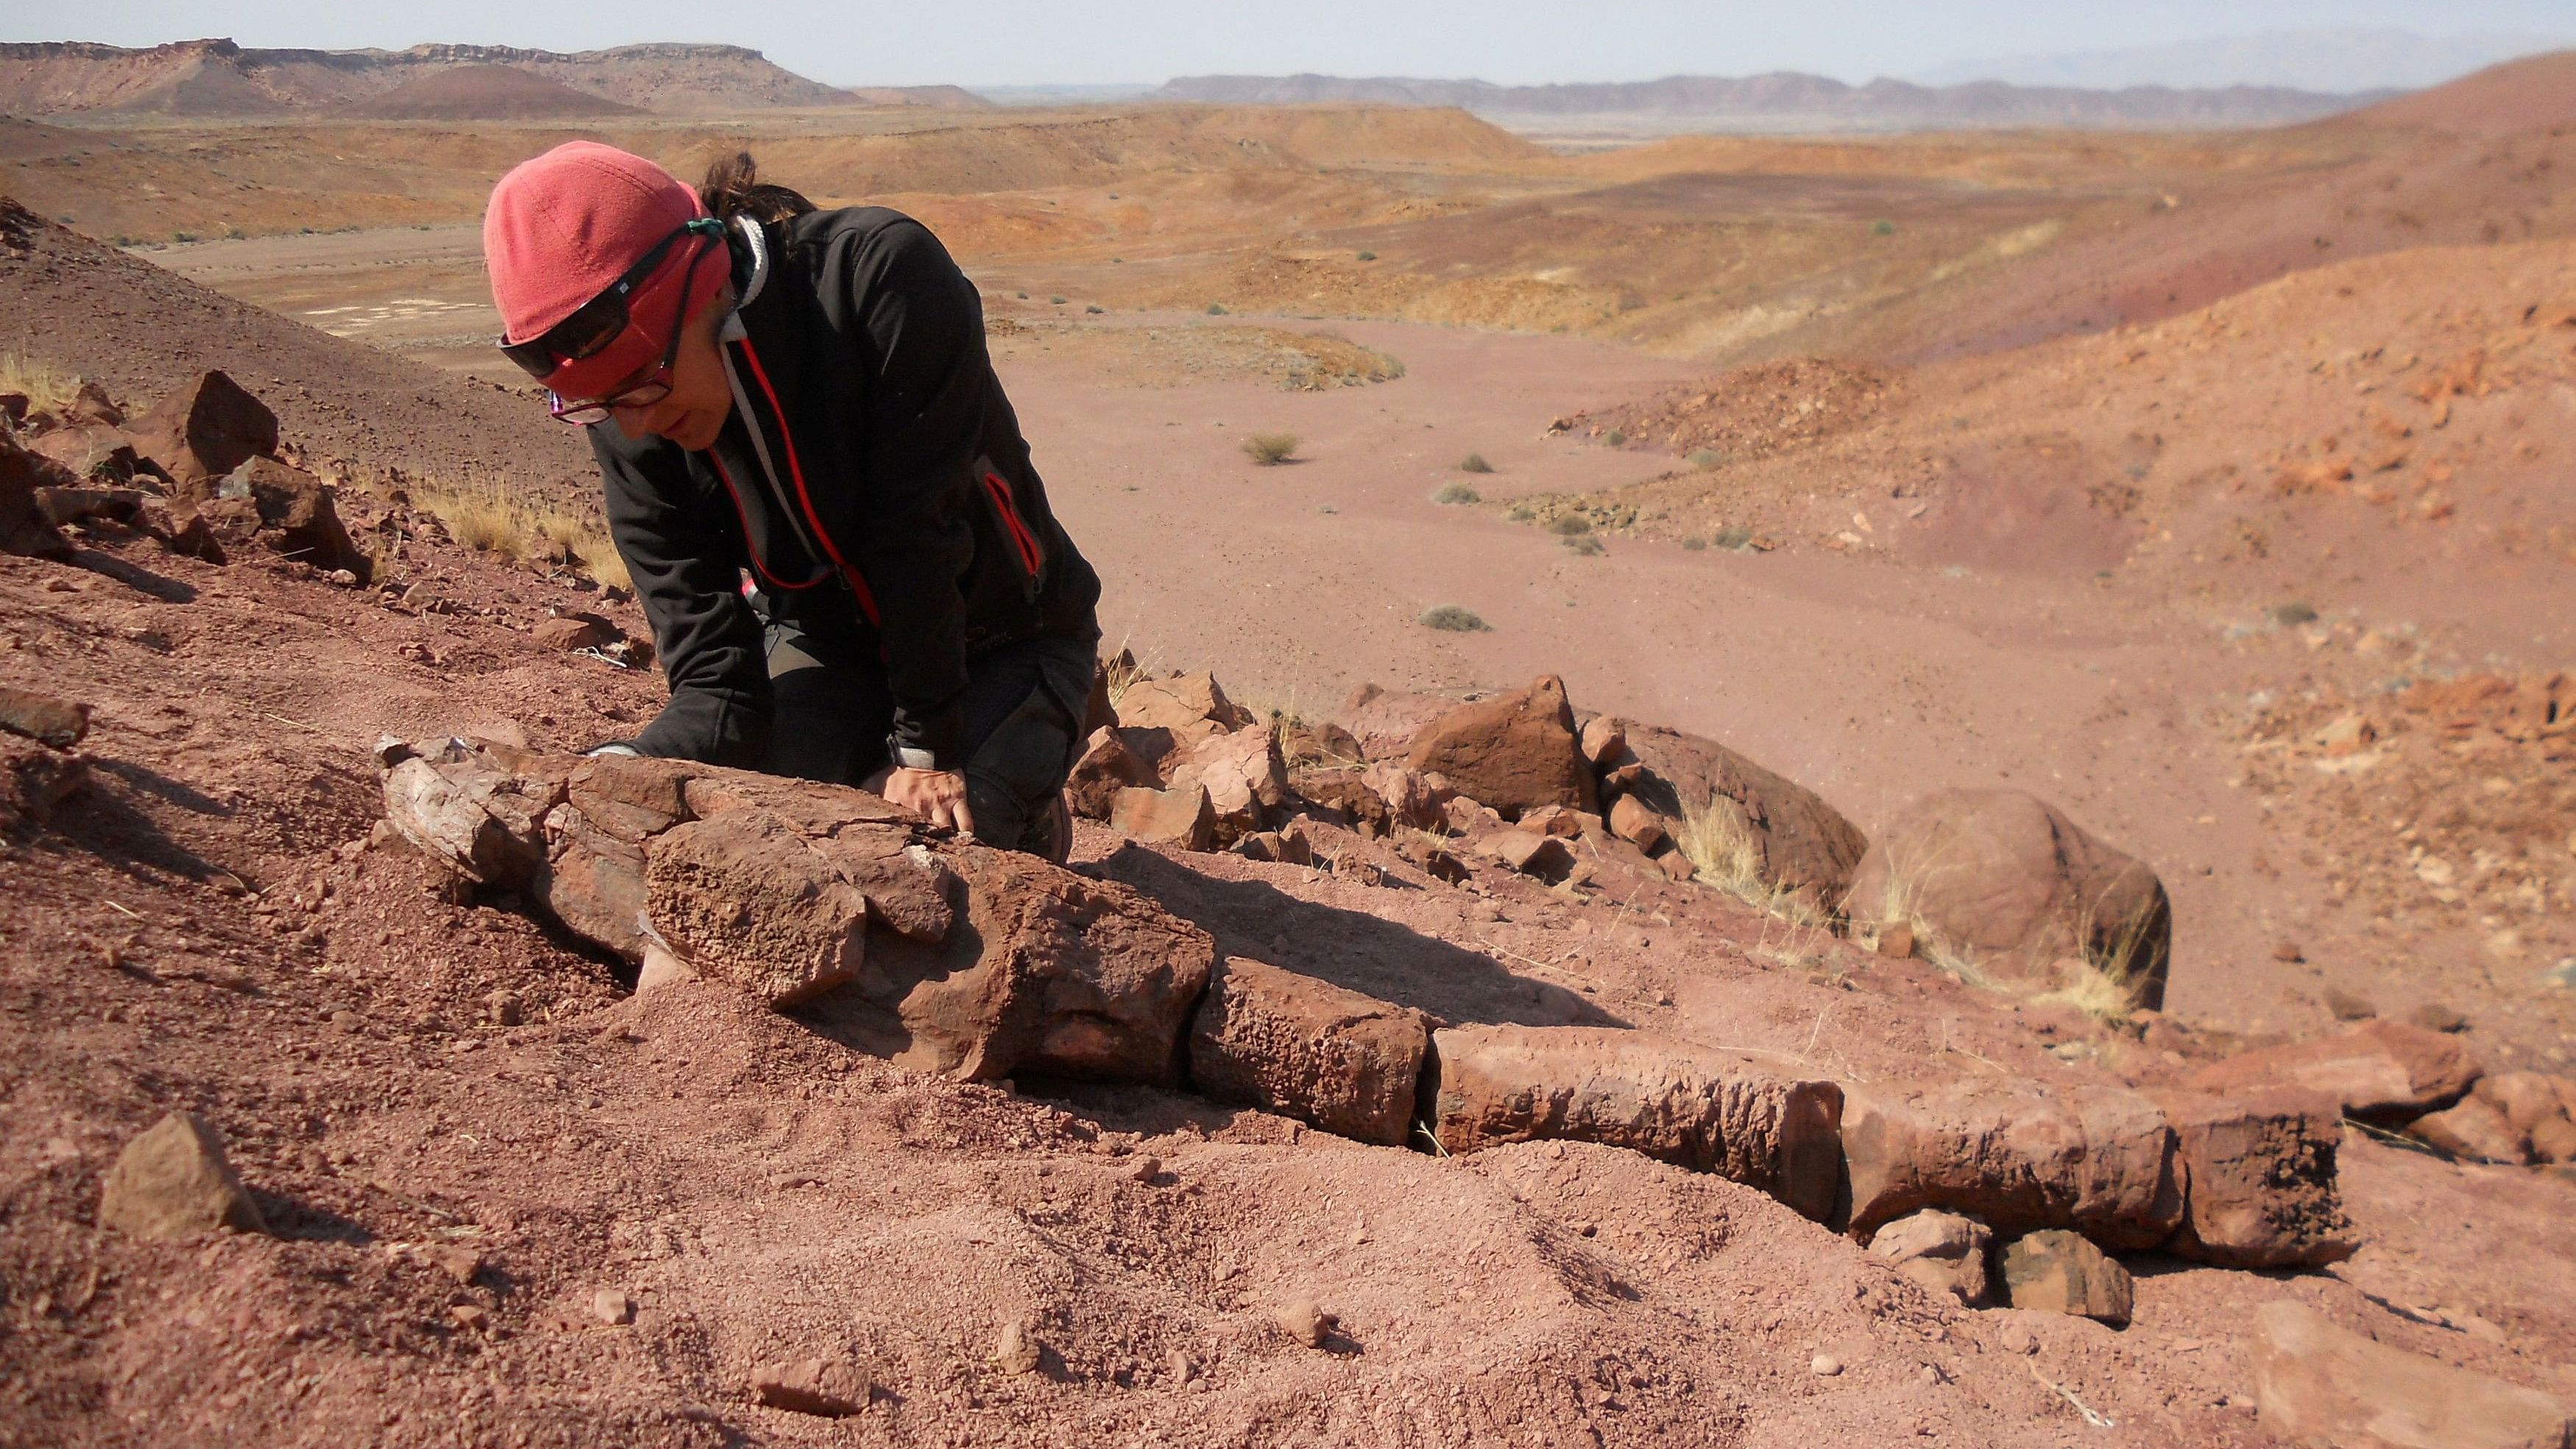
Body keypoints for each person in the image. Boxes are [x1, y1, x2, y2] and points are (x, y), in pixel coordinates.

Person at [481, 142, 1101, 860]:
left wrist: (923, 753)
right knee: (744, 835)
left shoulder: (878, 277)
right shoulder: (629, 405)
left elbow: (912, 536)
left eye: (642, 384)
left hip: (1005, 639)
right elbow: (716, 687)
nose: (635, 425)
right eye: (599, 404)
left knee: (931, 856)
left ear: (705, 284)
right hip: (825, 644)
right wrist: (616, 774)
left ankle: (1028, 809)